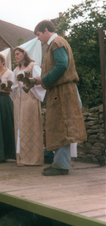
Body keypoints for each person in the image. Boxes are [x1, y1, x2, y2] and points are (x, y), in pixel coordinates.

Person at [34, 20, 87, 176]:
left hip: (63, 90)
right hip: (60, 90)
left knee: (63, 126)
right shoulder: (54, 44)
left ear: (45, 30)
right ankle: (59, 163)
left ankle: (62, 166)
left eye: (38, 35)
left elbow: (62, 65)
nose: (38, 39)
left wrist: (45, 80)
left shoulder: (57, 42)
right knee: (59, 126)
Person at [11, 39, 46, 167]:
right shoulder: (16, 69)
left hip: (30, 98)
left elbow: (40, 82)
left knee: (30, 126)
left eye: (18, 54)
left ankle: (33, 158)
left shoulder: (33, 66)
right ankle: (21, 157)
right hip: (19, 100)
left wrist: (30, 85)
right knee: (19, 128)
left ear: (25, 54)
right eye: (15, 55)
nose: (16, 57)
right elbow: (14, 86)